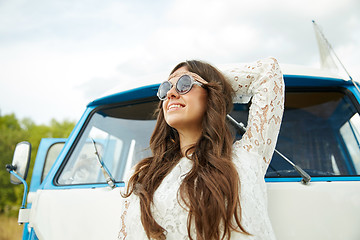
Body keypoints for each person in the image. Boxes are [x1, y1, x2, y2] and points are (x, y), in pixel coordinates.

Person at [118, 57, 284, 240]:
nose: (171, 93)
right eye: (166, 88)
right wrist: (188, 80)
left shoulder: (247, 156)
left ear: (211, 95)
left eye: (184, 83)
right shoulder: (142, 174)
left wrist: (214, 81)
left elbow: (268, 71)